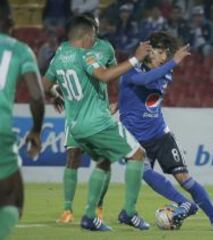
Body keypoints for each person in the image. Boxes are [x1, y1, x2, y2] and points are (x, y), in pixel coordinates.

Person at [42, 15, 151, 231]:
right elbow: (105, 75)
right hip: (97, 122)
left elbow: (46, 84)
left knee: (103, 159)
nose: (95, 37)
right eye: (93, 33)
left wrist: (56, 94)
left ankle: (90, 216)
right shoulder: (86, 55)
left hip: (75, 125)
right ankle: (129, 212)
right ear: (86, 34)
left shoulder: (61, 52)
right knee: (137, 153)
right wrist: (135, 59)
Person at [118, 31, 213, 231]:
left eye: (166, 54)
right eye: (160, 53)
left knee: (185, 178)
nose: (164, 58)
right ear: (149, 51)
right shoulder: (131, 69)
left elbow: (146, 80)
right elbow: (139, 81)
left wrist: (171, 63)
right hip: (134, 138)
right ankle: (184, 203)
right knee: (143, 170)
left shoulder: (165, 72)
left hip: (160, 134)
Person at [54, 14, 118, 224]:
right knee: (72, 157)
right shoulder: (65, 49)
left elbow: (115, 75)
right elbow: (55, 77)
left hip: (98, 113)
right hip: (75, 114)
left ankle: (98, 206)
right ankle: (67, 209)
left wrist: (116, 100)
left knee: (104, 160)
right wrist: (55, 91)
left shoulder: (106, 48)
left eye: (94, 27)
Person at [0, 7, 45, 239]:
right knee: (13, 201)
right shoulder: (19, 50)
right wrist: (36, 131)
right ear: (10, 22)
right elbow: (37, 97)